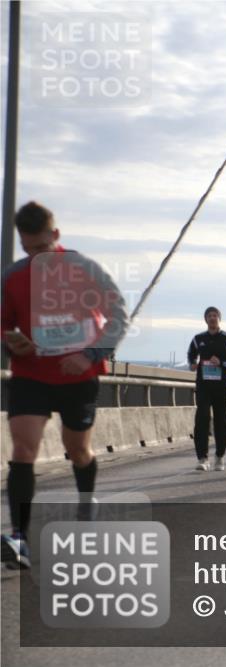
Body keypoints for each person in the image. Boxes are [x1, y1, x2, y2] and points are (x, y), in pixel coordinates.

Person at [1, 201, 129, 569]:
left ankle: (86, 502)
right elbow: (2, 323)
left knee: (78, 451)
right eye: (28, 250)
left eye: (41, 249)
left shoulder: (84, 269)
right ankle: (21, 538)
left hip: (78, 375)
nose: (35, 257)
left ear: (55, 236)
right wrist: (11, 341)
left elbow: (118, 315)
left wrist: (89, 356)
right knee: (23, 449)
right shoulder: (12, 276)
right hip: (31, 373)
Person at [188, 307, 226, 471]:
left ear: (219, 319)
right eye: (209, 316)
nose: (212, 318)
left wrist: (222, 363)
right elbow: (191, 354)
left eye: (215, 316)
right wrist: (192, 363)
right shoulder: (198, 339)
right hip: (203, 385)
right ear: (206, 319)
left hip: (221, 387)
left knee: (220, 422)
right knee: (202, 419)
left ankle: (219, 456)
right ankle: (202, 458)